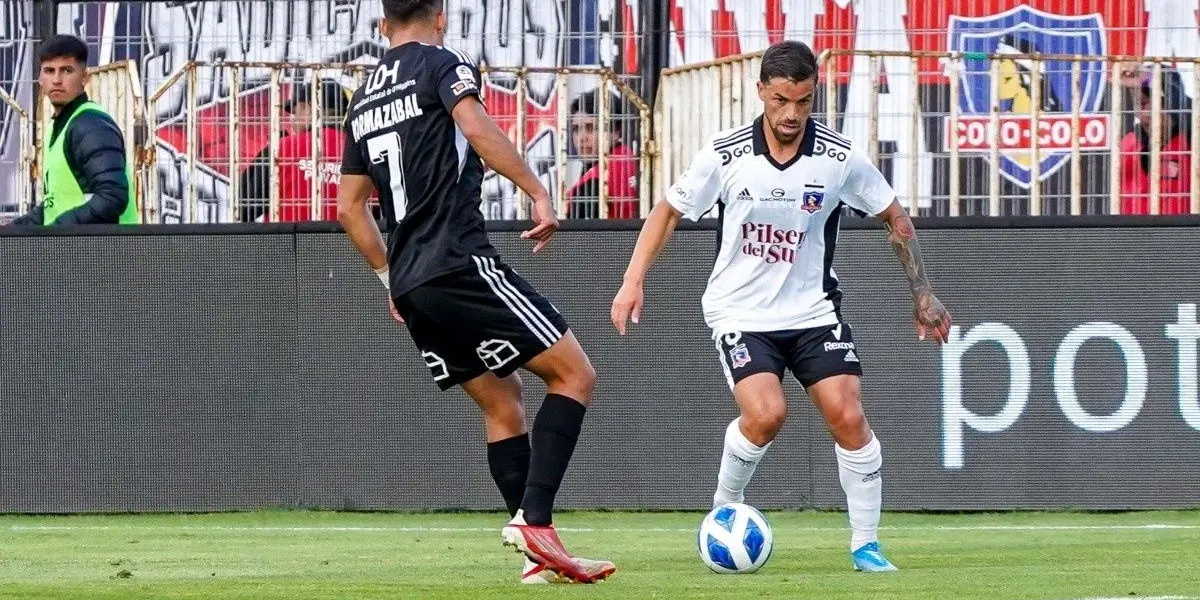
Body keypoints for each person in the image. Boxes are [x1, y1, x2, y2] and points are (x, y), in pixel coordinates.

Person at [611, 40, 952, 572]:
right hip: (739, 313)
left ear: (814, 95)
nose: (791, 114)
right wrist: (632, 282)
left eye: (803, 101)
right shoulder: (725, 154)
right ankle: (726, 508)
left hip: (813, 311)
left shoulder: (839, 159)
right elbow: (667, 212)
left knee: (849, 414)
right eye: (779, 101)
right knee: (767, 415)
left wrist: (923, 295)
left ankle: (866, 544)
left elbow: (896, 218)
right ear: (761, 94)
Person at [336, 0, 615, 585]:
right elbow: (476, 128)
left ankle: (539, 560)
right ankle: (534, 522)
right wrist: (537, 190)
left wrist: (391, 277)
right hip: (458, 261)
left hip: (411, 280)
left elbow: (348, 207)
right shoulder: (442, 64)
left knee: (502, 400)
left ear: (383, 25)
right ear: (440, 17)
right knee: (574, 374)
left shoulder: (361, 99)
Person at [13, 34, 138, 226]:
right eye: (49, 70)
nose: (56, 79)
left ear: (84, 78)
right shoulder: (57, 128)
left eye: (66, 70)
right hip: (79, 248)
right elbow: (56, 204)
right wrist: (18, 228)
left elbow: (111, 197)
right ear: (40, 79)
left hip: (106, 252)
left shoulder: (90, 125)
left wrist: (57, 231)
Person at [239, 80, 356, 222]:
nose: (292, 120)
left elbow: (243, 207)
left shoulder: (280, 149)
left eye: (295, 112)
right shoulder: (358, 151)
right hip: (346, 241)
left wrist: (267, 153)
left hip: (286, 240)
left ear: (308, 108)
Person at [1119, 66, 1193, 215]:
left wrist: (1150, 77)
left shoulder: (1190, 138)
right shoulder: (1128, 143)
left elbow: (1185, 104)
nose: (1145, 113)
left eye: (1150, 104)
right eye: (1139, 104)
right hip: (1135, 236)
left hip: (1184, 236)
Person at [565, 88, 639, 219]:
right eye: (576, 129)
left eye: (590, 128)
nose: (582, 138)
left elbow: (578, 235)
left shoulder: (594, 181)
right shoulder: (631, 160)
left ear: (616, 130)